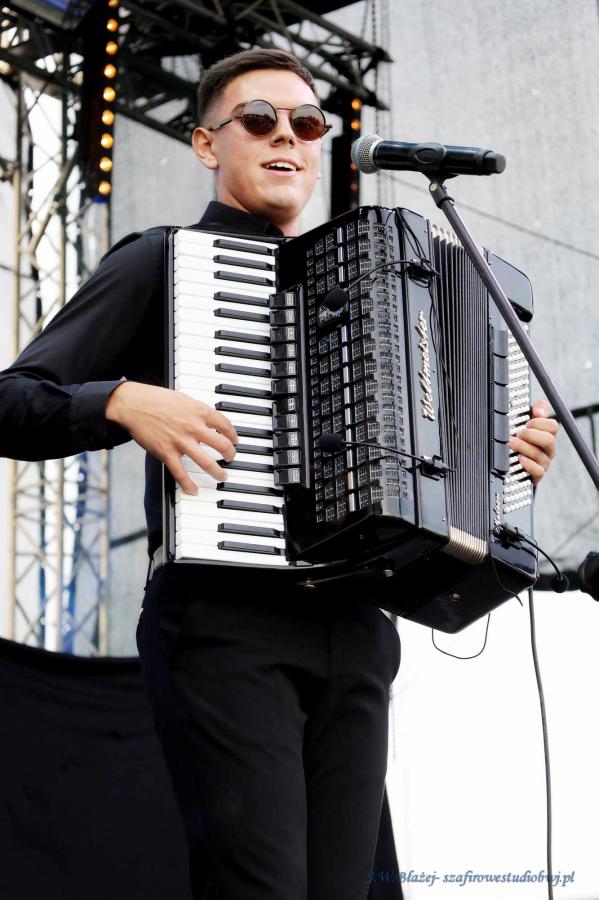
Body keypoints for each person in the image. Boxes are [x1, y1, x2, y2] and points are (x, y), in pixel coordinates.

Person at [0, 48, 558, 900]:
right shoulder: (165, 261)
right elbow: (11, 402)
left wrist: (509, 466)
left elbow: (434, 461)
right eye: (258, 121)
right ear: (205, 144)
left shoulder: (371, 281)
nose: (285, 137)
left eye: (305, 123)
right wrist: (118, 400)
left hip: (356, 628)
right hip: (226, 623)